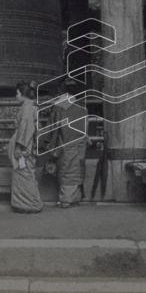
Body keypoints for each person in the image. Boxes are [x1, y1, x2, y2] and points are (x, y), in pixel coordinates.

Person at [42, 77, 89, 208]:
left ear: (61, 90)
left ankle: (66, 199)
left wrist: (48, 141)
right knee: (77, 169)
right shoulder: (82, 105)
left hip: (64, 142)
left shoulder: (59, 106)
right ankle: (75, 197)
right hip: (80, 142)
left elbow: (53, 127)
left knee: (66, 170)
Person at [9, 81, 44, 213]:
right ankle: (24, 203)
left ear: (23, 94)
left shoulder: (27, 109)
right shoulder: (30, 106)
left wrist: (19, 146)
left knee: (24, 173)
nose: (16, 96)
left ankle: (30, 204)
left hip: (24, 145)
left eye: (17, 93)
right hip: (26, 143)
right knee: (24, 173)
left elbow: (25, 128)